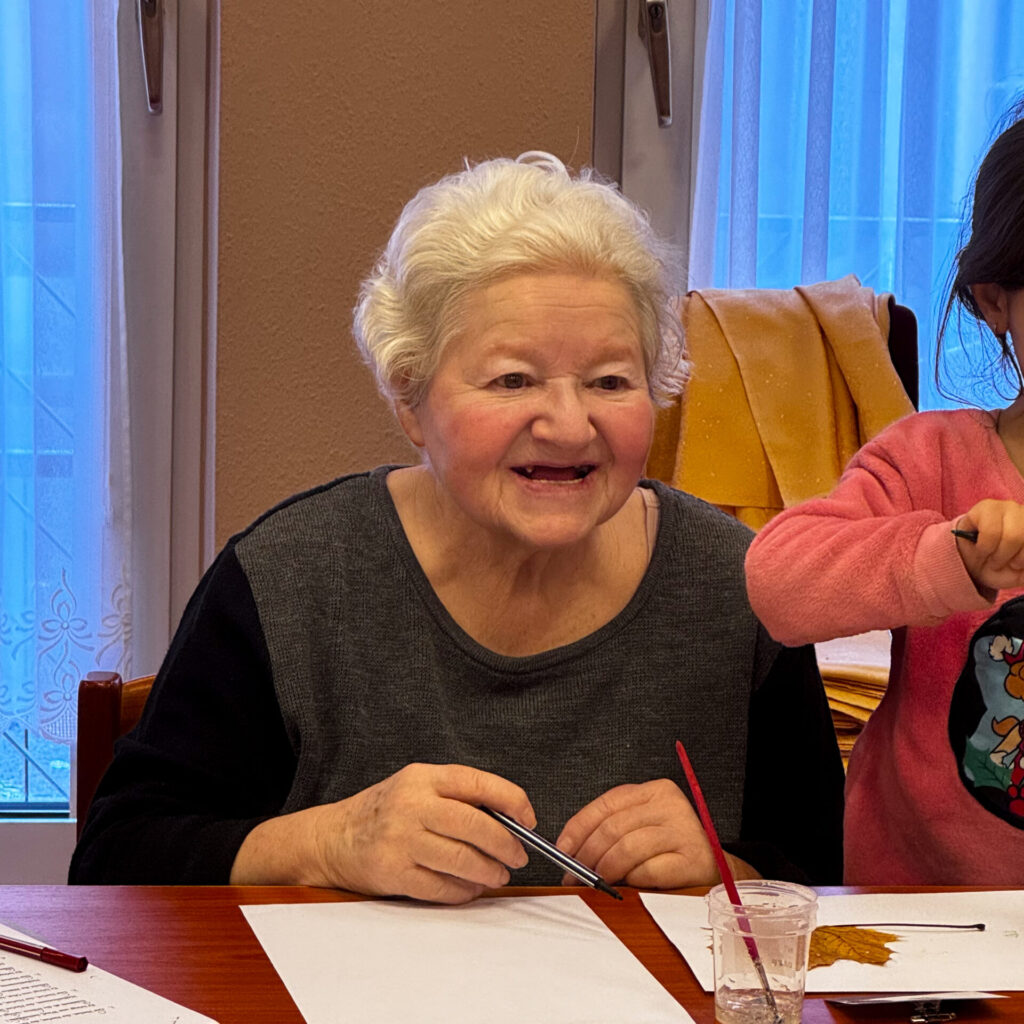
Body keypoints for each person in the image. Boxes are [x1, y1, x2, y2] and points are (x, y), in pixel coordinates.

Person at [70, 152, 843, 901]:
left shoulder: (742, 585)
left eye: (611, 381)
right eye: (513, 379)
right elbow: (114, 860)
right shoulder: (289, 578)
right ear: (410, 398)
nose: (570, 426)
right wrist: (330, 841)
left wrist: (728, 870)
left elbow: (830, 874)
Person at [745, 115, 1024, 885]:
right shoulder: (931, 457)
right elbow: (780, 584)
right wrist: (951, 555)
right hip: (918, 912)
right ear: (995, 302)